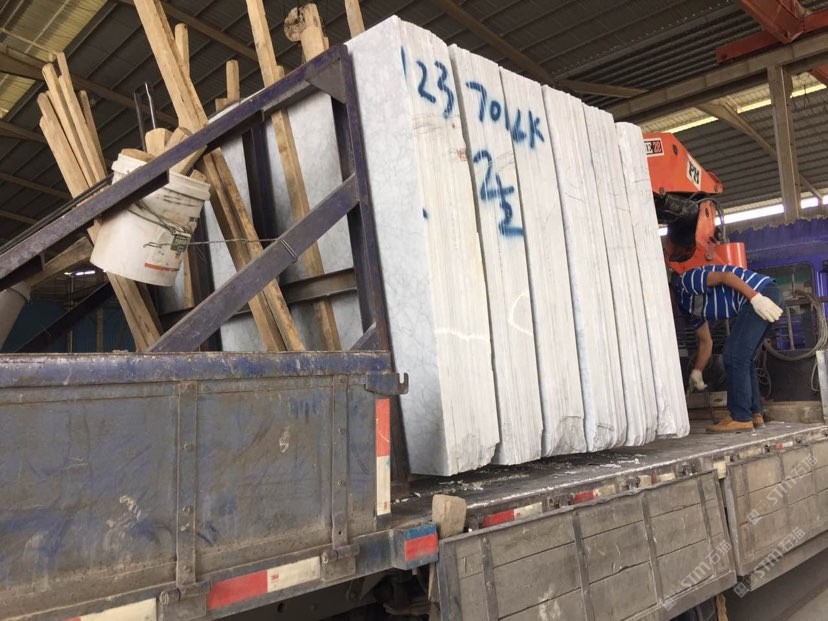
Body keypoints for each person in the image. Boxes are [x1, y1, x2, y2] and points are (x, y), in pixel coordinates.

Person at [675, 264, 784, 432]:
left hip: (760, 295)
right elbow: (706, 342)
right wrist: (697, 371)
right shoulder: (688, 310)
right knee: (744, 358)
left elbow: (726, 277)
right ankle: (755, 414)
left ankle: (740, 417)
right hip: (762, 296)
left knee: (734, 356)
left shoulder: (685, 282)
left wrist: (756, 298)